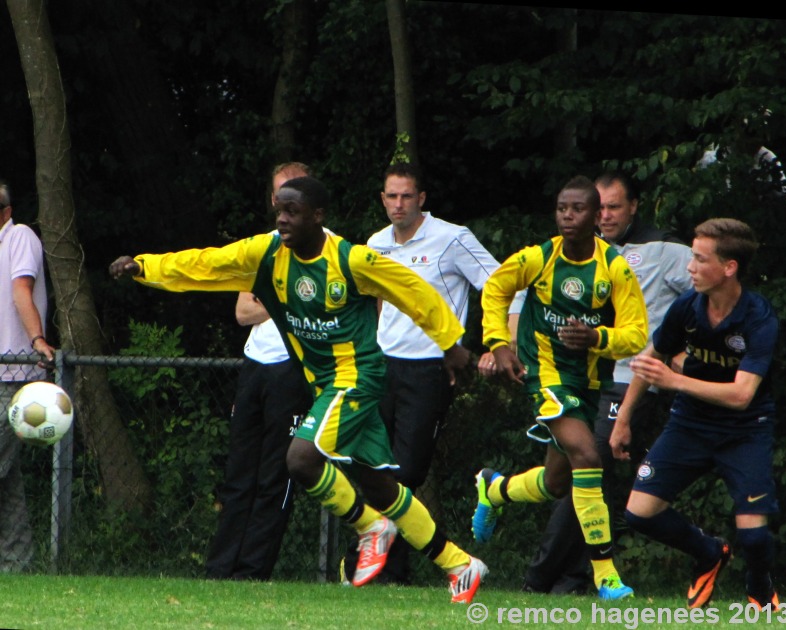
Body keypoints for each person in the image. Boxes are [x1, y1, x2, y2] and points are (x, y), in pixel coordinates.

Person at [109, 176, 487, 603]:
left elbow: (412, 290)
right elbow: (206, 263)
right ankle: (459, 564)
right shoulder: (267, 254)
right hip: (324, 382)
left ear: (318, 217)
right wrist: (144, 267)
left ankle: (370, 527)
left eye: (292, 212)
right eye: (279, 211)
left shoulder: (351, 260)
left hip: (357, 378)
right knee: (381, 486)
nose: (282, 220)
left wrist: (450, 344)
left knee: (301, 460)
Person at [472, 175, 647, 600]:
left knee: (557, 482)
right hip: (545, 375)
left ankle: (494, 489)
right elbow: (496, 288)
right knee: (589, 454)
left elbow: (637, 335)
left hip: (590, 382)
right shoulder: (539, 257)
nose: (568, 216)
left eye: (578, 209)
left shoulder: (615, 268)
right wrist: (499, 343)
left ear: (596, 216)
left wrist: (597, 338)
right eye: (561, 209)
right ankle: (606, 574)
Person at [522, 172, 694, 594]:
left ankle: (543, 579)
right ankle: (570, 574)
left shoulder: (666, 251)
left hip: (628, 382)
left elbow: (711, 291)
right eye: (599, 207)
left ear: (634, 205)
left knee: (589, 466)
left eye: (614, 206)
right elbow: (516, 294)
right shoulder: (570, 252)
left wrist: (686, 350)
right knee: (565, 477)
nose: (606, 215)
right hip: (574, 380)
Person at [610, 218, 782, 610]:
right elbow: (652, 359)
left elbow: (741, 395)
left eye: (700, 260)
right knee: (639, 514)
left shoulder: (758, 317)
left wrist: (674, 381)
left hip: (745, 429)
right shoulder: (686, 306)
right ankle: (708, 553)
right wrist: (623, 421)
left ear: (729, 268)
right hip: (689, 424)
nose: (690, 267)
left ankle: (760, 593)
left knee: (754, 537)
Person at [341, 163, 500, 584]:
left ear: (422, 199)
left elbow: (500, 285)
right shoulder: (375, 243)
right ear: (382, 199)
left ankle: (381, 564)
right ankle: (379, 572)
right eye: (391, 197)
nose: (398, 204)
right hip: (381, 366)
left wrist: (493, 345)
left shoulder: (452, 238)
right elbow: (374, 303)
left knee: (407, 471)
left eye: (406, 196)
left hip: (431, 367)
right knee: (372, 466)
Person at [205, 162, 313, 581]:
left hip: (294, 370)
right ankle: (220, 568)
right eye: (280, 193)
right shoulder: (261, 249)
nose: (286, 201)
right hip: (255, 368)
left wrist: (274, 299)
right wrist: (284, 297)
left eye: (296, 192)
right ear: (272, 199)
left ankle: (252, 571)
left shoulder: (328, 249)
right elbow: (242, 311)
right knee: (239, 475)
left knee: (276, 476)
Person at [0, 181, 56, 573]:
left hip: (12, 377)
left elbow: (22, 289)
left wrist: (37, 338)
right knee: (7, 483)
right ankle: (17, 567)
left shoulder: (19, 236)